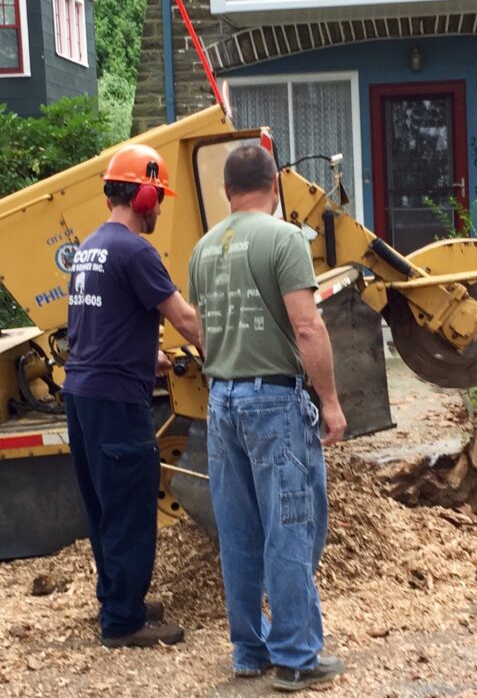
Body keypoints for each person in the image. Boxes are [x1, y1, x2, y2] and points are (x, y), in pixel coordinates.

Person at [188, 145, 348, 692]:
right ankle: (298, 657)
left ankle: (248, 650)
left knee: (238, 529)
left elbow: (204, 332)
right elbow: (307, 328)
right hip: (274, 400)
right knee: (292, 527)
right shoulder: (285, 239)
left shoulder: (203, 248)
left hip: (222, 400)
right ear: (274, 187)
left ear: (227, 192)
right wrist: (329, 401)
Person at [62, 144, 201, 648]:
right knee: (131, 504)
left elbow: (94, 326)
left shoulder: (89, 248)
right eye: (159, 196)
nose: (160, 207)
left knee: (104, 504)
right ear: (143, 195)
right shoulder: (136, 251)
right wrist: (231, 351)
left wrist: (148, 357)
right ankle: (124, 622)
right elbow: (184, 319)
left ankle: (119, 596)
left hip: (81, 395)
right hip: (117, 401)